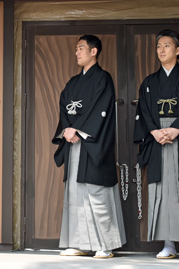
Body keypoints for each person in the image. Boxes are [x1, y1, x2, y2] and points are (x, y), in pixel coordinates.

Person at [133, 29, 179, 260]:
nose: (161, 50)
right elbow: (143, 111)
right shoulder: (149, 82)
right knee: (161, 190)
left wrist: (176, 129)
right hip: (157, 139)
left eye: (166, 45)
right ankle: (168, 244)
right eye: (158, 46)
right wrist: (154, 131)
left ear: (178, 50)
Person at [52, 35, 126, 259]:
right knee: (75, 193)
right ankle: (79, 242)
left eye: (81, 48)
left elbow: (100, 109)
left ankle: (106, 245)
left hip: (94, 143)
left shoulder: (103, 78)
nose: (77, 52)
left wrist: (78, 130)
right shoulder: (73, 82)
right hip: (74, 143)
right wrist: (66, 129)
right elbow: (65, 106)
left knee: (97, 192)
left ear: (94, 51)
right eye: (76, 49)